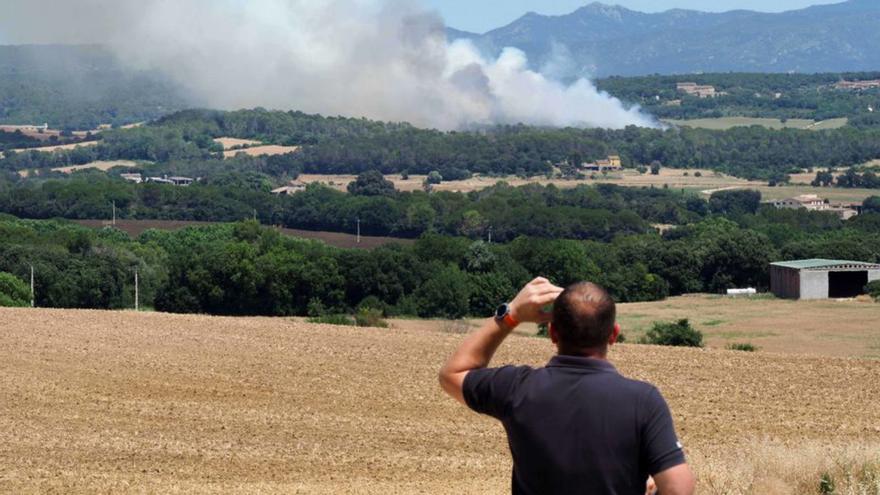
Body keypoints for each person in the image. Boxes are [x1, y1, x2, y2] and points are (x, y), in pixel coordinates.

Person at [439, 277, 696, 495]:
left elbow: (453, 373)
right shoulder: (644, 400)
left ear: (552, 333)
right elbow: (678, 488)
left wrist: (511, 314)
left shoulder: (515, 388)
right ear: (614, 334)